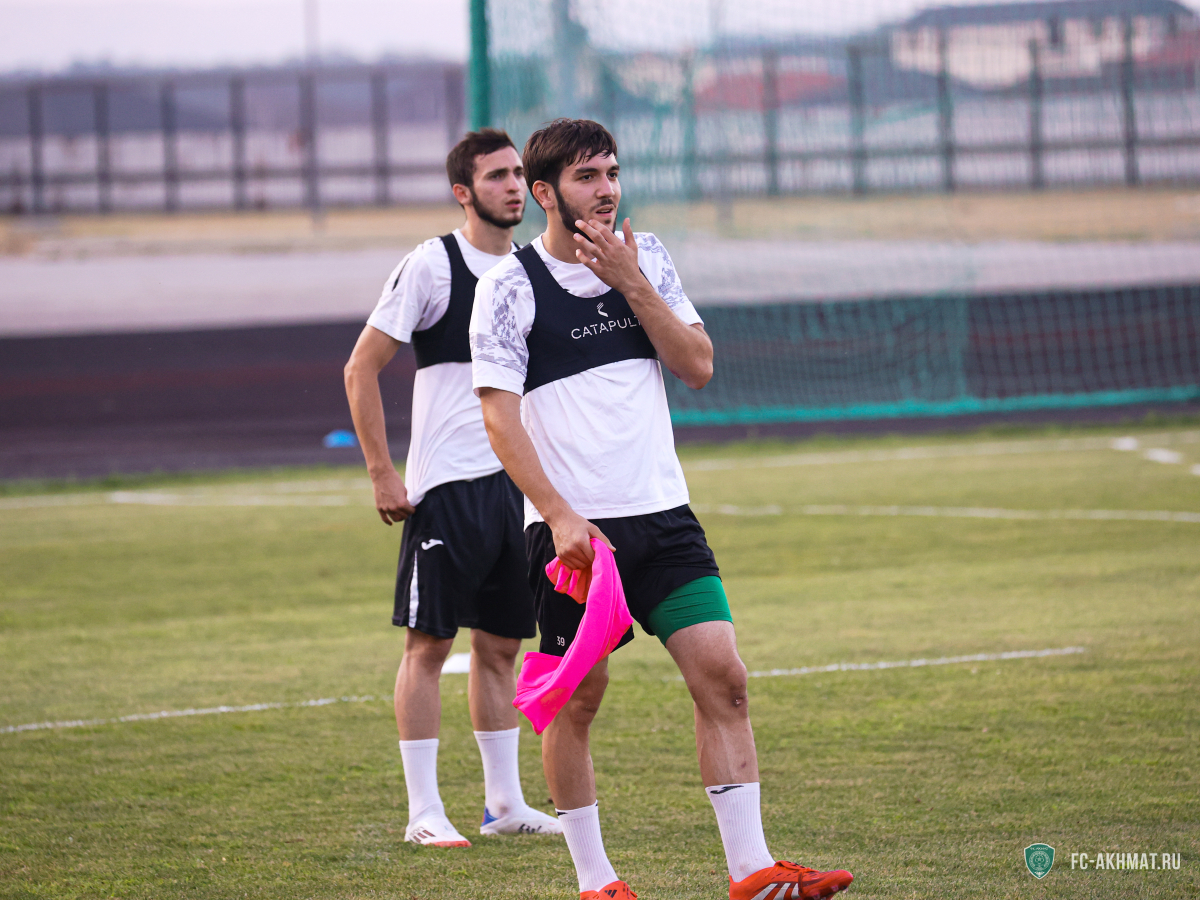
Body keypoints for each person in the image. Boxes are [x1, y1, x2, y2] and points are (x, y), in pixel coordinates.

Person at [471, 119, 854, 899]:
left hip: (666, 520)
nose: (606, 189)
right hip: (574, 536)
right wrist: (558, 514)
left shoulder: (647, 258)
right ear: (544, 193)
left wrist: (632, 281)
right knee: (577, 702)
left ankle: (751, 870)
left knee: (725, 678)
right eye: (586, 177)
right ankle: (596, 881)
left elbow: (698, 366)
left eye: (612, 173)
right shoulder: (509, 286)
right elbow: (499, 417)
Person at [344, 128, 561, 848]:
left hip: (517, 491)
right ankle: (424, 813)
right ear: (463, 192)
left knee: (501, 648)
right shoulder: (432, 265)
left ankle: (504, 805)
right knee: (429, 648)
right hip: (447, 490)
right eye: (497, 175)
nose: (513, 185)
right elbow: (360, 368)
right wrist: (382, 471)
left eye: (518, 173)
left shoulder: (532, 270)